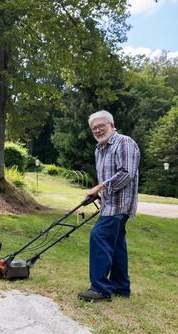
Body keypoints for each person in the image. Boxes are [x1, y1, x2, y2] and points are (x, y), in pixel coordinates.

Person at [78, 110, 140, 302]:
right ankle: (120, 287)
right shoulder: (100, 149)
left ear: (112, 126)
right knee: (117, 245)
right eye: (94, 128)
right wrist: (97, 193)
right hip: (108, 204)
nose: (97, 130)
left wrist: (100, 187)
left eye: (101, 126)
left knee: (99, 236)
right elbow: (107, 177)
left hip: (119, 205)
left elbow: (126, 173)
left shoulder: (124, 142)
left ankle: (100, 289)